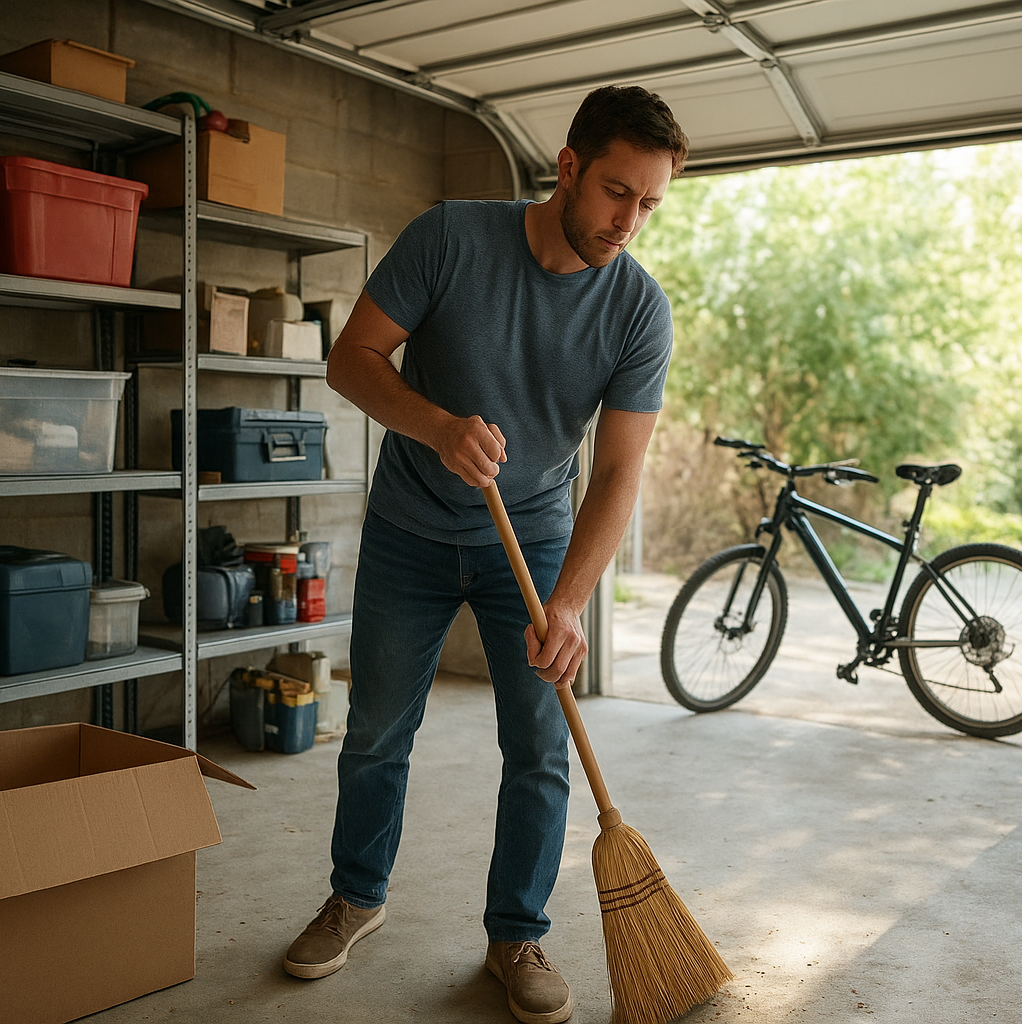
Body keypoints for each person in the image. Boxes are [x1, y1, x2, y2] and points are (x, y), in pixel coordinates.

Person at [284, 85, 688, 1024]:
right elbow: (351, 361)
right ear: (570, 169)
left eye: (650, 205)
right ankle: (357, 896)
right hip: (410, 528)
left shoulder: (638, 311)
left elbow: (620, 471)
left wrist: (573, 600)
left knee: (540, 746)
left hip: (536, 537)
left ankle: (517, 933)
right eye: (617, 194)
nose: (629, 222)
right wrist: (435, 429)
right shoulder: (451, 237)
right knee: (380, 728)